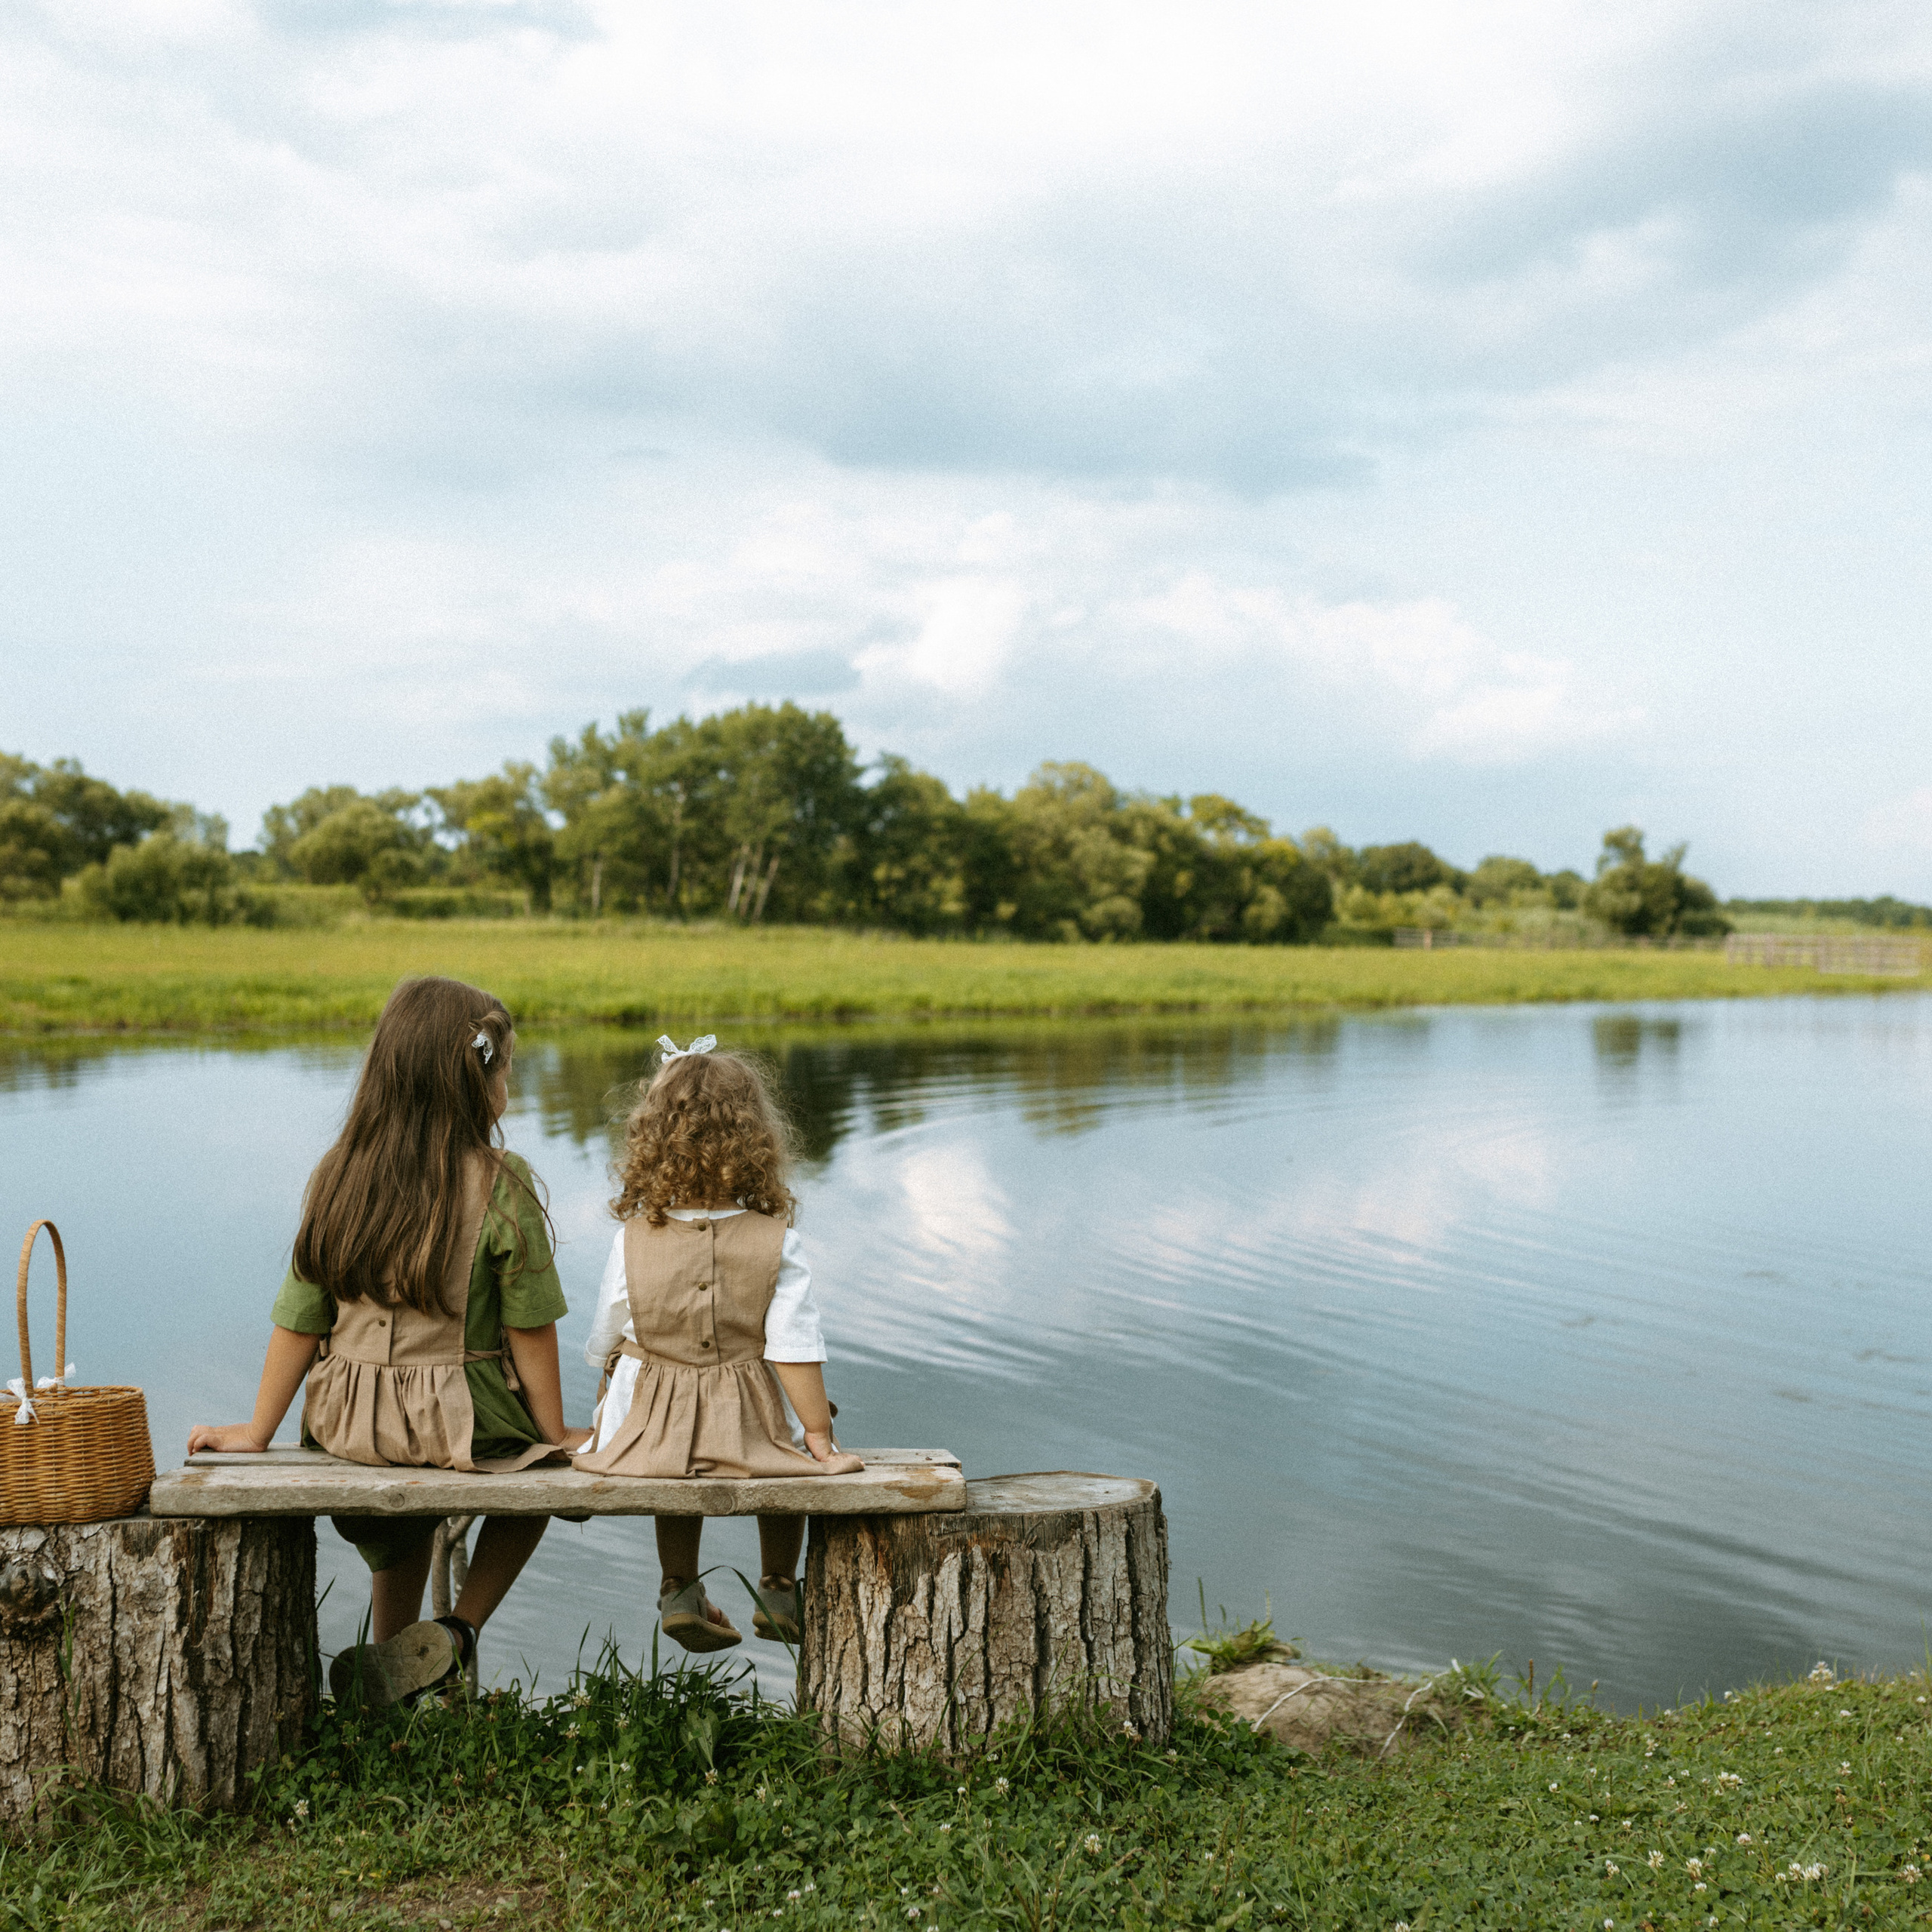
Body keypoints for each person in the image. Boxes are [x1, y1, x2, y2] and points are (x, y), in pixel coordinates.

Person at [187, 976, 586, 1704]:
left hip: (348, 1422)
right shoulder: (503, 1180)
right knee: (547, 1479)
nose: (510, 1080)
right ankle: (459, 1632)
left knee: (402, 1505)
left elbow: (300, 1317)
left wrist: (257, 1430)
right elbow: (532, 1323)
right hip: (461, 1419)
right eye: (504, 1066)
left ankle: (392, 1657)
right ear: (475, 1075)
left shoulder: (338, 1174)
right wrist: (555, 1431)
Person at [576, 1034, 863, 1651]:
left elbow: (607, 1332)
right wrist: (819, 1440)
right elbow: (793, 1344)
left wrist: (607, 1390)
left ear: (651, 1139)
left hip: (650, 1420)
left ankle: (679, 1585)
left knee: (669, 1451)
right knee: (786, 1435)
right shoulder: (775, 1237)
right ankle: (780, 1584)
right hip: (747, 1420)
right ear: (755, 1138)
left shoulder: (633, 1237)